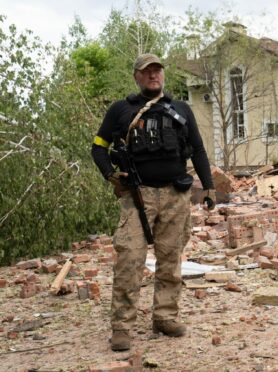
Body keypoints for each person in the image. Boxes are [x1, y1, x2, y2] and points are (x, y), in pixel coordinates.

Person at [91, 53, 215, 351]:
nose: (153, 76)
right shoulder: (121, 110)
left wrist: (209, 187)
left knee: (170, 260)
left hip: (176, 195)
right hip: (137, 196)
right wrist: (111, 175)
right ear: (136, 75)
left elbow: (197, 149)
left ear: (163, 75)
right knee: (130, 261)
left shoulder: (181, 109)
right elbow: (97, 148)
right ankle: (122, 327)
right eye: (147, 72)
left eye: (157, 70)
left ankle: (165, 317)